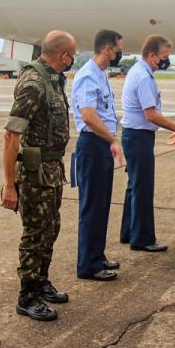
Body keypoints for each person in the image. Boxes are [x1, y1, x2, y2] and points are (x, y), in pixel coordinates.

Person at [2, 31, 76, 322]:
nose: (72, 60)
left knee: (50, 229)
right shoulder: (34, 83)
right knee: (35, 235)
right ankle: (27, 295)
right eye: (72, 55)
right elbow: (11, 134)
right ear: (63, 56)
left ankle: (41, 281)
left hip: (51, 171)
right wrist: (10, 185)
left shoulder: (53, 80)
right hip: (35, 174)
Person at [120, 34, 175, 252]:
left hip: (133, 136)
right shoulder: (143, 77)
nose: (166, 60)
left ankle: (129, 232)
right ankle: (142, 239)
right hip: (139, 137)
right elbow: (150, 115)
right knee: (142, 188)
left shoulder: (139, 71)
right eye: (164, 56)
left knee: (134, 186)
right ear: (152, 56)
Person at [72, 29, 124, 281]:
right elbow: (89, 116)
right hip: (92, 145)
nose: (118, 55)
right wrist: (112, 138)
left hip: (100, 144)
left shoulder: (101, 74)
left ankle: (97, 256)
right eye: (117, 50)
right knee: (92, 206)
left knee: (101, 205)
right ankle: (88, 265)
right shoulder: (87, 77)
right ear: (107, 49)